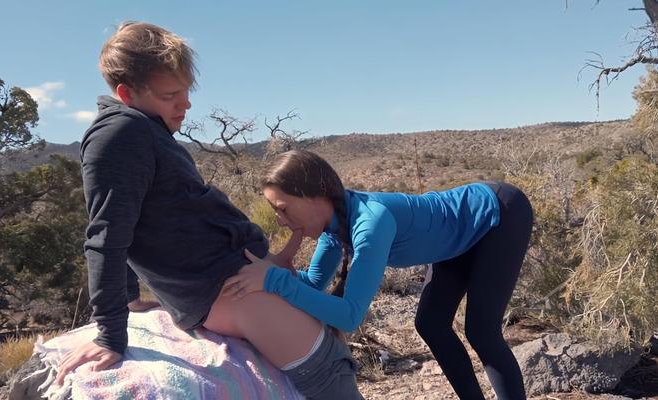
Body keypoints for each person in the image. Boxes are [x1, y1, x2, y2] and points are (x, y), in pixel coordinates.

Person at [55, 22, 362, 399]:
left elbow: (140, 219)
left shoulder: (142, 129)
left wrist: (131, 297)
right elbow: (107, 236)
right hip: (236, 292)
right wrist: (110, 333)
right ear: (126, 93)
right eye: (171, 95)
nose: (185, 104)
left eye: (185, 92)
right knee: (330, 375)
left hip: (244, 281)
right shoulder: (118, 136)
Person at [224, 149, 534, 400]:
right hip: (457, 239)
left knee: (481, 331)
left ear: (317, 197)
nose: (279, 221)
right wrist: (282, 272)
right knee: (431, 324)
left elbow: (349, 316)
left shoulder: (371, 223)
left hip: (498, 214)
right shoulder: (334, 226)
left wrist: (275, 282)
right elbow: (314, 284)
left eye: (283, 209)